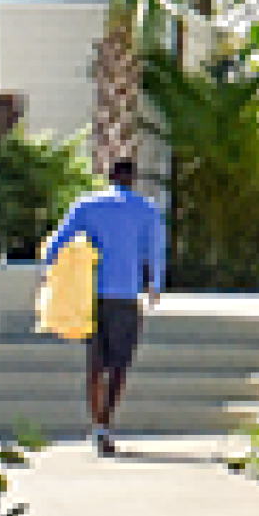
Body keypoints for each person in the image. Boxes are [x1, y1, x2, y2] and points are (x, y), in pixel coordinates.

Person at [42, 156, 168, 453]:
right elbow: (155, 251)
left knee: (95, 364)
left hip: (91, 295)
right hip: (125, 295)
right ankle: (106, 423)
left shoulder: (86, 205)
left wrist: (53, 273)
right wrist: (155, 286)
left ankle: (97, 424)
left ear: (109, 177)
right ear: (133, 179)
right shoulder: (147, 210)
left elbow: (57, 243)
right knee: (120, 366)